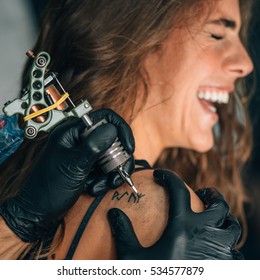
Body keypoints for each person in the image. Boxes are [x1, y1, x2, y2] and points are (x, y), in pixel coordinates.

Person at [0, 0, 253, 259]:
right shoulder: (163, 211)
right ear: (140, 35)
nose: (246, 64)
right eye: (217, 34)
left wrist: (18, 223)